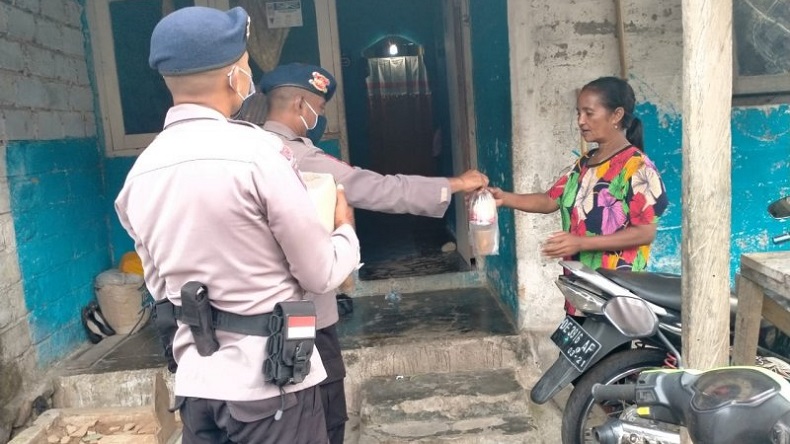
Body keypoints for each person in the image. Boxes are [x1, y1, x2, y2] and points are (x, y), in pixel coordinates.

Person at [114, 7, 360, 444]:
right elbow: (320, 272)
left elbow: (161, 289)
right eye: (245, 63)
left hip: (197, 389)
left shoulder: (140, 175)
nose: (248, 72)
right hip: (271, 389)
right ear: (233, 76)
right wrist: (344, 230)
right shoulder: (259, 156)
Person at [242, 62, 489, 444]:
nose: (319, 119)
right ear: (299, 105)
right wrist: (456, 183)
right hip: (305, 313)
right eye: (319, 110)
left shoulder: (246, 151)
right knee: (324, 411)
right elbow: (378, 188)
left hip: (253, 316)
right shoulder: (295, 157)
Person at [490, 76, 668, 313]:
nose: (580, 121)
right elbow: (550, 199)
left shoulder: (637, 169)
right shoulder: (584, 164)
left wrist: (581, 242)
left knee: (613, 352)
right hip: (583, 291)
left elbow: (645, 232)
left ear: (616, 115)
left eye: (589, 113)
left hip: (615, 295)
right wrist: (504, 198)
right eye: (578, 113)